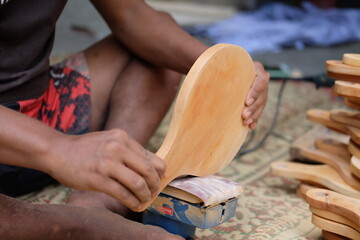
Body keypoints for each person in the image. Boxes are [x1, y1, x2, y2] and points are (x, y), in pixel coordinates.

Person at [0, 0, 269, 239]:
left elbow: (130, 13)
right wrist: (57, 148)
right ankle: (79, 224)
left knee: (159, 46)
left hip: (45, 107)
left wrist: (222, 72)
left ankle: (101, 198)